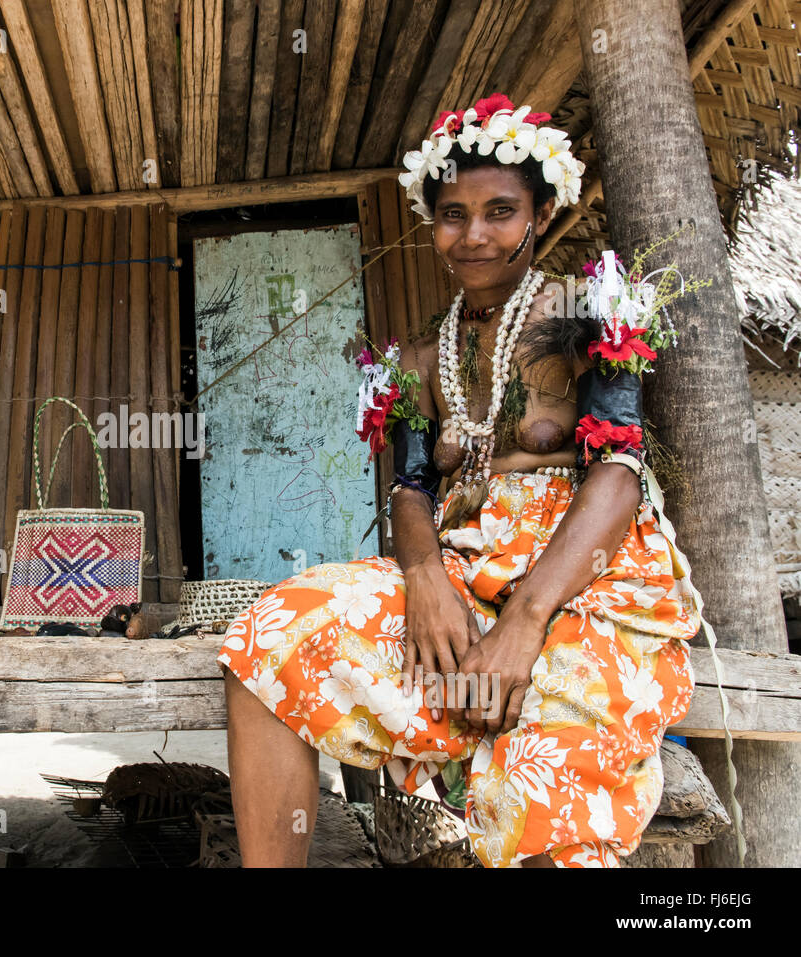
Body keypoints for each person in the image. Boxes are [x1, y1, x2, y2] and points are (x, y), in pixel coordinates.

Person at [218, 94, 701, 868]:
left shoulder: (586, 315)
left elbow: (621, 469)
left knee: (538, 786)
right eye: (453, 214)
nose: (474, 234)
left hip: (583, 583)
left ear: (540, 215)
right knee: (269, 642)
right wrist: (423, 577)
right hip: (461, 573)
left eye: (500, 211)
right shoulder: (414, 359)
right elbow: (409, 488)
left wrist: (526, 619)